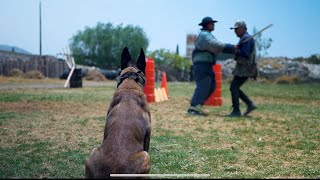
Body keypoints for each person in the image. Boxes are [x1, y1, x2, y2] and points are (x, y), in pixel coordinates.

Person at [188, 17, 236, 116]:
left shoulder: (208, 35)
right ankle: (193, 107)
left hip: (207, 64)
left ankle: (198, 106)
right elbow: (214, 45)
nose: (213, 25)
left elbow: (216, 48)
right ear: (206, 25)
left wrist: (230, 49)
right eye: (212, 24)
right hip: (201, 65)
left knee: (212, 86)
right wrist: (230, 47)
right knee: (203, 86)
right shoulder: (205, 35)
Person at [226, 21, 257, 117]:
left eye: (236, 29)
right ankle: (249, 104)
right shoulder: (244, 38)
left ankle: (236, 111)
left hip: (245, 68)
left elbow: (245, 53)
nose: (235, 31)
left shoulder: (246, 39)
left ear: (243, 28)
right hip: (242, 67)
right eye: (234, 29)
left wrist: (235, 50)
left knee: (233, 87)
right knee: (234, 88)